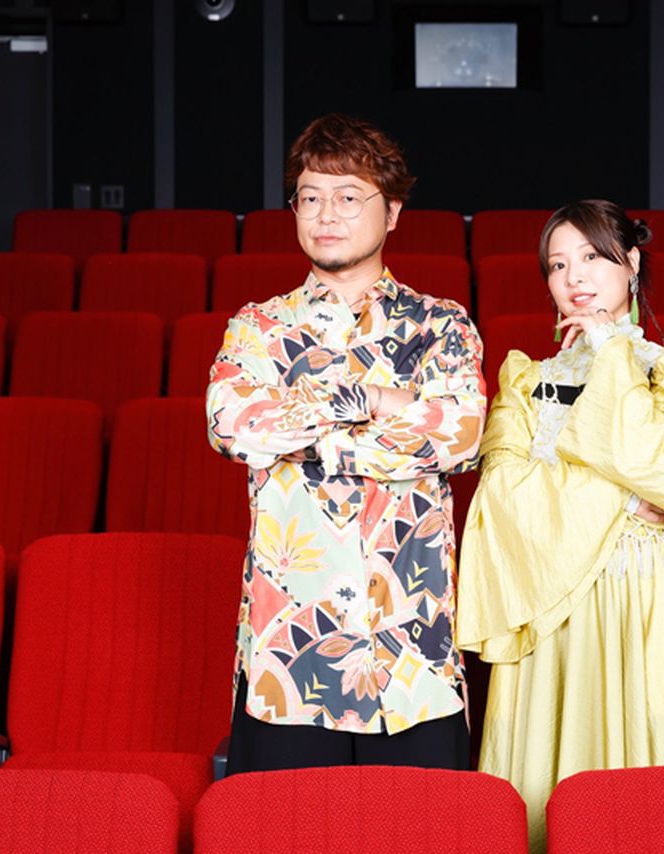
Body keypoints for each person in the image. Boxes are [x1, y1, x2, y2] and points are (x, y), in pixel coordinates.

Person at [206, 113, 485, 773]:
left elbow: (461, 434)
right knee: (278, 825)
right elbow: (233, 424)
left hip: (412, 650)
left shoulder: (441, 326)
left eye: (348, 196)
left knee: (427, 826)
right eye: (310, 197)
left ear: (393, 213)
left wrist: (309, 431)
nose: (326, 214)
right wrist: (383, 406)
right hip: (288, 654)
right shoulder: (256, 328)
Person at [457, 199, 664, 850]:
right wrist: (622, 500)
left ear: (630, 263)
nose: (573, 276)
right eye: (557, 265)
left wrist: (612, 352)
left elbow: (649, 460)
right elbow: (501, 499)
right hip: (551, 599)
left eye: (591, 257)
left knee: (656, 785)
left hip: (647, 594)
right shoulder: (525, 382)